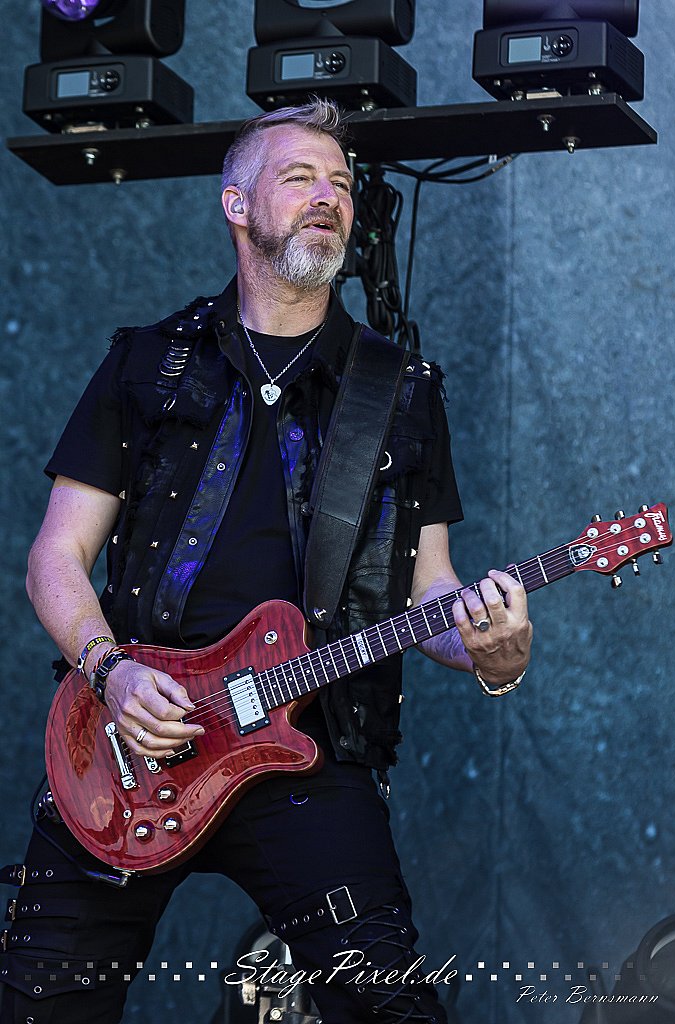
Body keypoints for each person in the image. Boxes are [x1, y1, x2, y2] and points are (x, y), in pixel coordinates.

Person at [0, 98, 532, 1024]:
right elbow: (56, 555)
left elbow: (431, 590)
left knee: (388, 1007)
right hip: (124, 742)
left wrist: (493, 655)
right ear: (237, 204)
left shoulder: (398, 389)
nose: (328, 196)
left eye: (341, 183)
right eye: (299, 177)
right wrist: (110, 671)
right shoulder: (149, 362)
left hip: (308, 751)